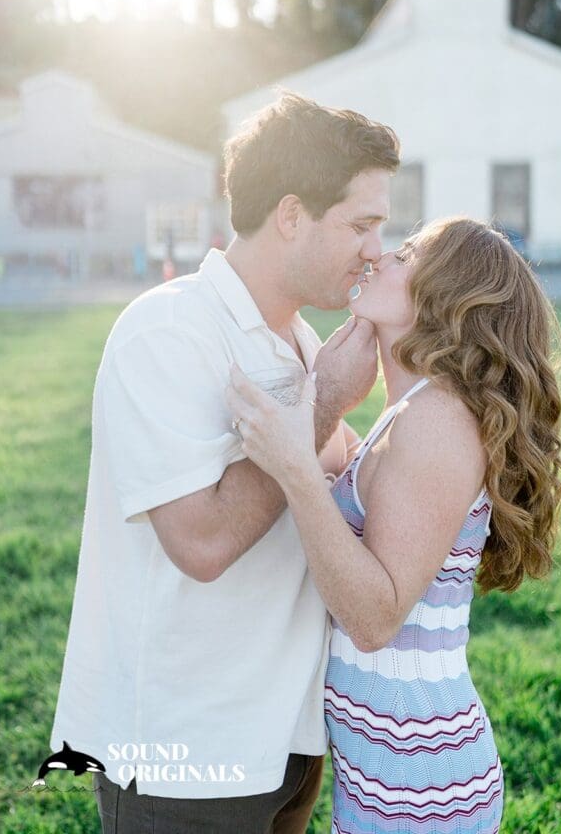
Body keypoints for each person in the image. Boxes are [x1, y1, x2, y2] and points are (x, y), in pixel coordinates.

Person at [49, 92, 400, 834]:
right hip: (185, 755)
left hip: (289, 743)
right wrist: (326, 402)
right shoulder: (169, 331)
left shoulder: (302, 340)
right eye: (360, 224)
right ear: (291, 214)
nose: (376, 248)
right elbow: (201, 543)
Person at [228, 216, 561, 834]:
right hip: (387, 771)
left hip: (421, 784)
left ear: (446, 297)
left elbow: (374, 619)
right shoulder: (409, 414)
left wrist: (296, 471)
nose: (382, 256)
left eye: (410, 253)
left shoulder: (436, 420)